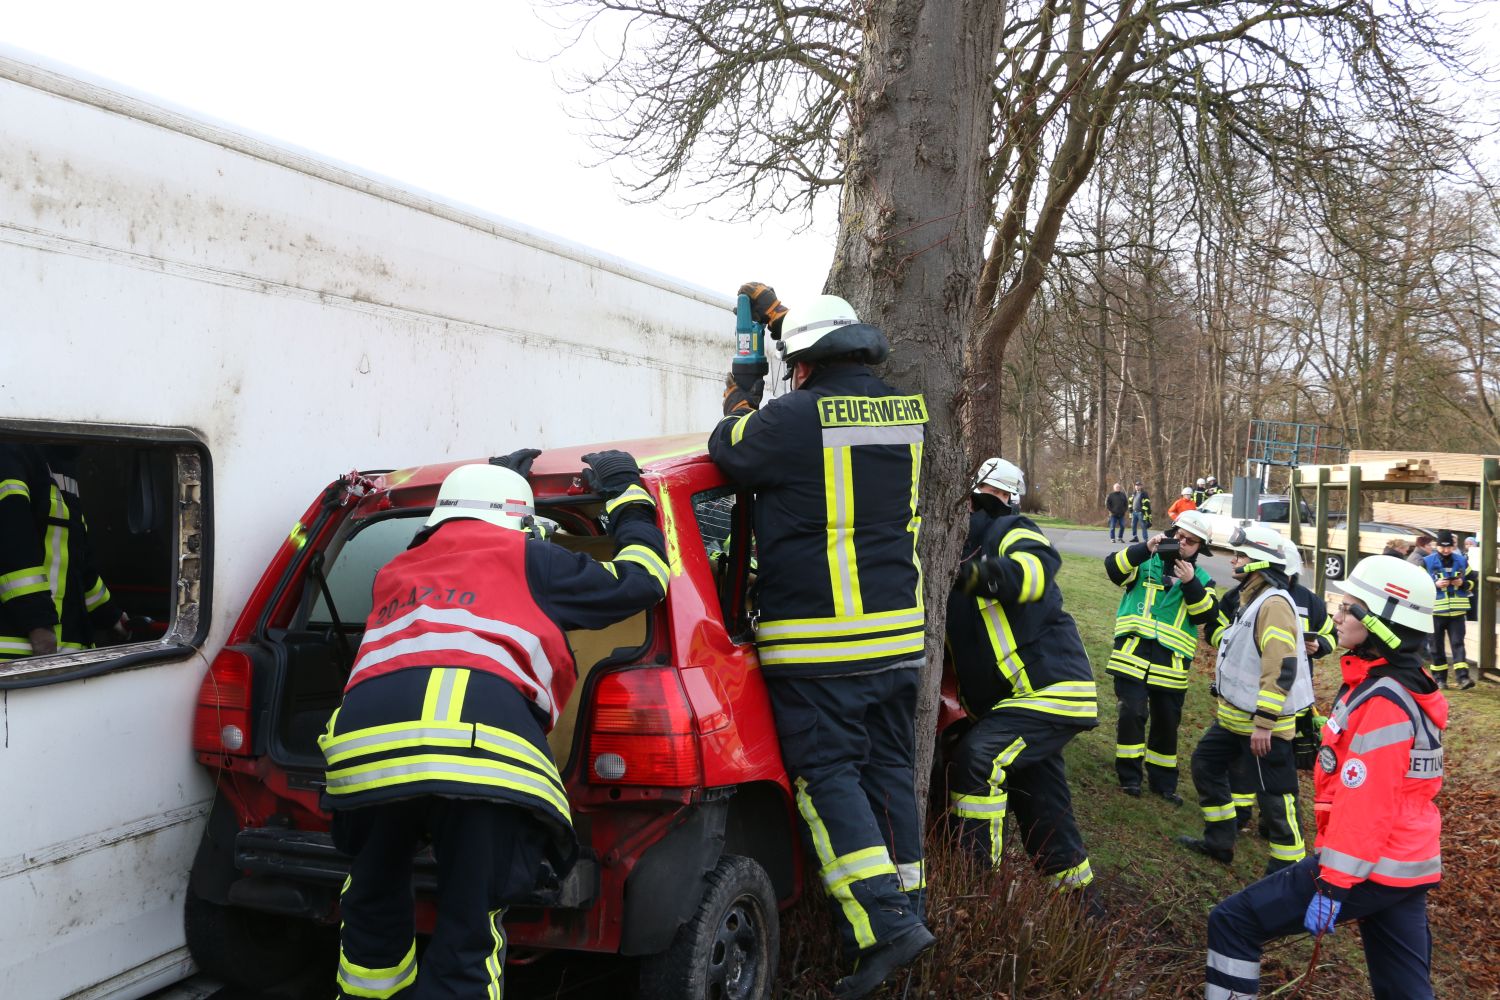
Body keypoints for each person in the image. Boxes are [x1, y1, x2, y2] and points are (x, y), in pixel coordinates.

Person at [320, 451, 669, 1000]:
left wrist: (500, 477)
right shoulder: (531, 558)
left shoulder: (398, 569)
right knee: (468, 926)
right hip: (481, 755)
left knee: (372, 901)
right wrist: (626, 493)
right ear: (521, 524)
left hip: (367, 753)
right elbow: (643, 582)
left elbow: (454, 560)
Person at [709, 285, 933, 999]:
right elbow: (827, 396)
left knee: (827, 778)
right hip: (897, 641)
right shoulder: (906, 412)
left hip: (821, 646)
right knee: (888, 777)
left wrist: (743, 391)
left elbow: (731, 449)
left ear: (800, 364)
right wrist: (780, 326)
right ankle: (901, 921)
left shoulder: (791, 419)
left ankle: (887, 924)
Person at [1204, 555, 1446, 1000]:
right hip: (1406, 863)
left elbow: (1367, 803)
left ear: (1379, 622)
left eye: (1347, 606)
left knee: (1233, 922)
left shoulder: (1383, 701)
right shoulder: (1400, 683)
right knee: (1404, 990)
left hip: (1367, 865)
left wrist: (1333, 883)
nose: (1335, 613)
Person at [947, 457, 1098, 899]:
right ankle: (1085, 915)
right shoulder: (957, 542)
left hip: (1049, 690)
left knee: (978, 760)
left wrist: (971, 575)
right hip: (1016, 703)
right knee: (1045, 814)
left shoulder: (1009, 529)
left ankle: (975, 897)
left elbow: (1035, 572)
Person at [1177, 525, 1313, 871]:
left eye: (1241, 555)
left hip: (1264, 728)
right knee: (1205, 765)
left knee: (1276, 801)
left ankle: (1288, 874)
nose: (1233, 559)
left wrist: (1265, 724)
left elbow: (1281, 666)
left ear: (1260, 562)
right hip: (1234, 721)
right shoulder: (1252, 597)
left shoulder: (1274, 604)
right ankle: (1219, 842)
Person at [1217, 539, 1334, 844]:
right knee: (1245, 760)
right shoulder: (1247, 595)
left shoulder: (1310, 601)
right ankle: (1242, 815)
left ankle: (1274, 826)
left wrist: (1318, 646)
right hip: (1252, 693)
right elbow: (1225, 628)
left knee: (1281, 765)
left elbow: (1331, 635)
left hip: (1288, 696)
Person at [1104, 509, 1219, 806]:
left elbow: (1206, 615)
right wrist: (1145, 547)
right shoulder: (1145, 561)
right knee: (1132, 713)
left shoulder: (1203, 579)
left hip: (1171, 667)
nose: (1182, 543)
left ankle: (1163, 783)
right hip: (1132, 656)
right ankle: (1129, 778)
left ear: (1199, 549)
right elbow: (1113, 569)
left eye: (1190, 542)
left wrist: (1191, 582)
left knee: (1166, 724)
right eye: (1178, 536)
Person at [0, 442, 127, 659]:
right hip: (17, 657)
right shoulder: (9, 452)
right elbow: (11, 541)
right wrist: (38, 624)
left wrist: (111, 617)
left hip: (61, 657)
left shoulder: (60, 465)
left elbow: (77, 560)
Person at [1423, 530, 1474, 689]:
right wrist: (1434, 585)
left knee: (1458, 644)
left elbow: (1472, 581)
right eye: (1442, 547)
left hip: (1457, 612)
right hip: (1435, 612)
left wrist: (1462, 584)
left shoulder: (1462, 560)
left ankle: (1463, 679)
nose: (1446, 550)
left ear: (1453, 546)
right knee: (1436, 647)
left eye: (1449, 547)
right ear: (1436, 546)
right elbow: (1419, 586)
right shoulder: (1426, 562)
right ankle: (1440, 680)